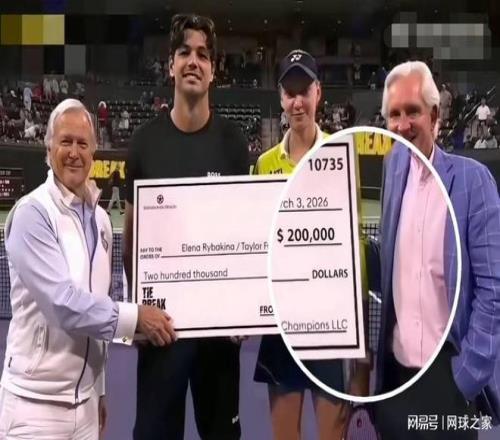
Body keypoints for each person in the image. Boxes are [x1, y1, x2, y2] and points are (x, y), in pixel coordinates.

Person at [0, 98, 176, 439]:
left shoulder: (101, 221)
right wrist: (136, 318)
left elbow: (98, 303)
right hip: (34, 408)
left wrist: (99, 389)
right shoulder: (32, 214)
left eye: (82, 144)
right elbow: (63, 304)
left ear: (93, 153)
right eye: (65, 141)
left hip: (85, 407)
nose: (74, 152)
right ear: (49, 148)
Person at [123, 14, 249, 440]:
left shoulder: (234, 144)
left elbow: (240, 236)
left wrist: (242, 308)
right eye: (184, 52)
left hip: (218, 339)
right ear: (171, 66)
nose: (193, 61)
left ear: (213, 70)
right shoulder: (144, 143)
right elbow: (132, 243)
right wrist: (138, 310)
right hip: (162, 334)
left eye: (203, 54)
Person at [372, 61, 500, 439]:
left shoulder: (474, 181)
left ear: (434, 115)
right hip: (396, 381)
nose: (403, 125)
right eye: (394, 114)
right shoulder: (393, 168)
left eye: (412, 111)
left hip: (449, 381)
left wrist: (465, 377)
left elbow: (494, 289)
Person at [253, 49, 369, 440]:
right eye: (290, 93)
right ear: (280, 98)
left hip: (329, 327)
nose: (297, 102)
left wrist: (361, 351)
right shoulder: (265, 164)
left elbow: (353, 248)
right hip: (281, 328)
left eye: (304, 91)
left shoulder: (342, 154)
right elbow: (260, 246)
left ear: (318, 92)